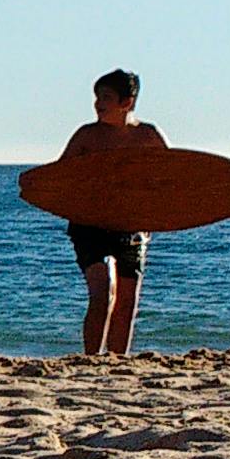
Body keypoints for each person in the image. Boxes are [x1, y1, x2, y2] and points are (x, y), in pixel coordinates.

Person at [54, 69, 165, 355]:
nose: (97, 103)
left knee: (127, 300)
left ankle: (117, 362)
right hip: (89, 223)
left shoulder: (147, 136)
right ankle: (91, 358)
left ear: (127, 102)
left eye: (105, 97)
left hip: (131, 225)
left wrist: (226, 205)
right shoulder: (87, 136)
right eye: (96, 97)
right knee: (103, 289)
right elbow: (58, 175)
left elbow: (174, 180)